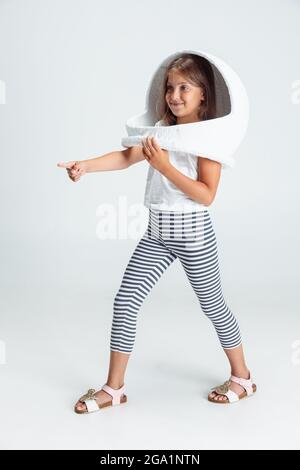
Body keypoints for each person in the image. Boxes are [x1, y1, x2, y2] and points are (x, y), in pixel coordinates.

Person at [57, 51, 256, 413]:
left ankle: (242, 377)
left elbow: (206, 194)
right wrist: (85, 165)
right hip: (158, 235)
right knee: (125, 300)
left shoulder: (206, 138)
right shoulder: (161, 130)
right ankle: (114, 389)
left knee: (212, 305)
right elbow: (125, 157)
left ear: (203, 96)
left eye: (184, 88)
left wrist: (164, 166)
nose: (174, 95)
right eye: (169, 88)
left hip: (194, 235)